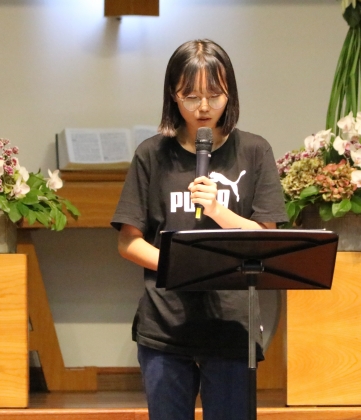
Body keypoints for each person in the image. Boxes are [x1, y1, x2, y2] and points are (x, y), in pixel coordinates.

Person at [111, 39, 288, 420]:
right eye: (191, 96)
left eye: (214, 95)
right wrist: (180, 266)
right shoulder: (151, 154)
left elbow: (266, 236)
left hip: (231, 325)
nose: (204, 107)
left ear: (230, 93)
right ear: (173, 95)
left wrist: (219, 211)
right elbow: (128, 242)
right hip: (166, 325)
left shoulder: (254, 151)